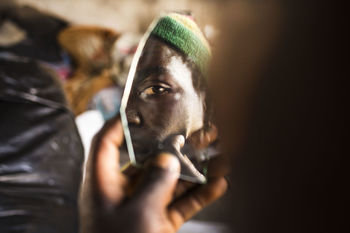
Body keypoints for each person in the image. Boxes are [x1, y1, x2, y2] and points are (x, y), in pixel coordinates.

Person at [125, 13, 216, 181]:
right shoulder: (119, 181)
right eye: (126, 94)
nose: (129, 115)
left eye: (157, 90)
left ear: (205, 104)